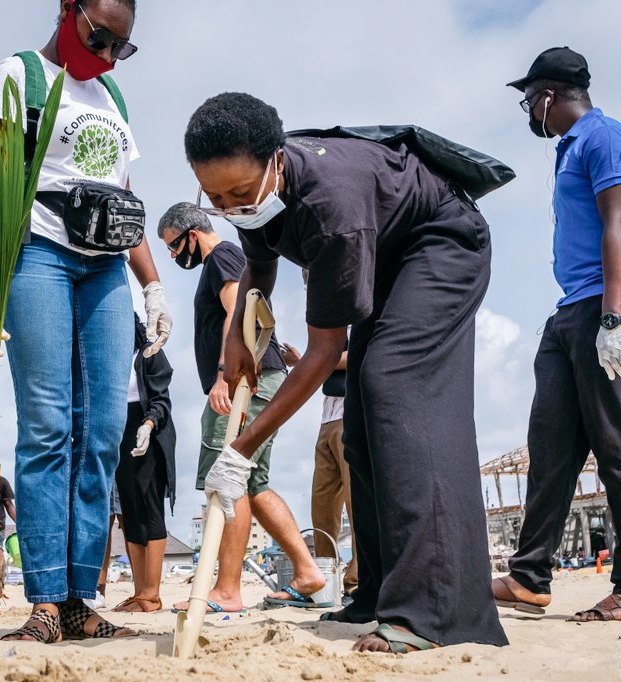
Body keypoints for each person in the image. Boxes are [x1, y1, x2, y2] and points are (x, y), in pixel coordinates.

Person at [184, 92, 508, 654]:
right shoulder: (252, 196)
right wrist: (237, 334)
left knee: (394, 385)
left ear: (276, 161)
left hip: (442, 243)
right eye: (214, 197)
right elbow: (259, 263)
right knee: (360, 421)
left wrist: (241, 450)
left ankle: (431, 609)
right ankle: (383, 590)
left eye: (239, 193)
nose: (231, 206)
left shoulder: (332, 207)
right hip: (388, 254)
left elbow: (319, 353)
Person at [0, 0, 172, 644]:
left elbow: (124, 197)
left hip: (107, 268)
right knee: (49, 424)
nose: (110, 55)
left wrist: (154, 285)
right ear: (67, 10)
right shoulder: (19, 75)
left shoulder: (110, 94)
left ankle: (83, 598)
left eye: (123, 47)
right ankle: (47, 602)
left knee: (105, 430)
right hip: (39, 257)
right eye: (100, 37)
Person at [493, 47, 621, 624]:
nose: (527, 112)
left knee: (616, 443)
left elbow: (620, 220)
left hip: (616, 304)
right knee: (550, 446)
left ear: (547, 96)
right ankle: (529, 577)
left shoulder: (605, 138)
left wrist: (614, 320)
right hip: (573, 310)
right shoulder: (570, 148)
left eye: (527, 101)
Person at [157, 202, 325, 612]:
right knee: (252, 482)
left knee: (225, 478)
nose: (175, 256)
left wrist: (223, 375)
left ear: (191, 235)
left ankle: (227, 590)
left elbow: (239, 313)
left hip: (242, 382)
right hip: (257, 378)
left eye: (174, 247)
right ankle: (307, 572)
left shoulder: (222, 257)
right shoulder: (228, 257)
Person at [280, 336, 358, 606]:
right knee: (322, 507)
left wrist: (303, 361)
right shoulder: (336, 320)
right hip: (328, 418)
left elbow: (359, 352)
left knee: (355, 503)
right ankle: (324, 582)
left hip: (352, 413)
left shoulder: (362, 314)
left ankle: (356, 585)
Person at [110, 313, 177, 613]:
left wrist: (148, 424)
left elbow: (162, 399)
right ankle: (139, 592)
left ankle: (152, 594)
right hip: (120, 435)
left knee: (150, 508)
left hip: (148, 431)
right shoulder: (110, 360)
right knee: (130, 512)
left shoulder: (150, 353)